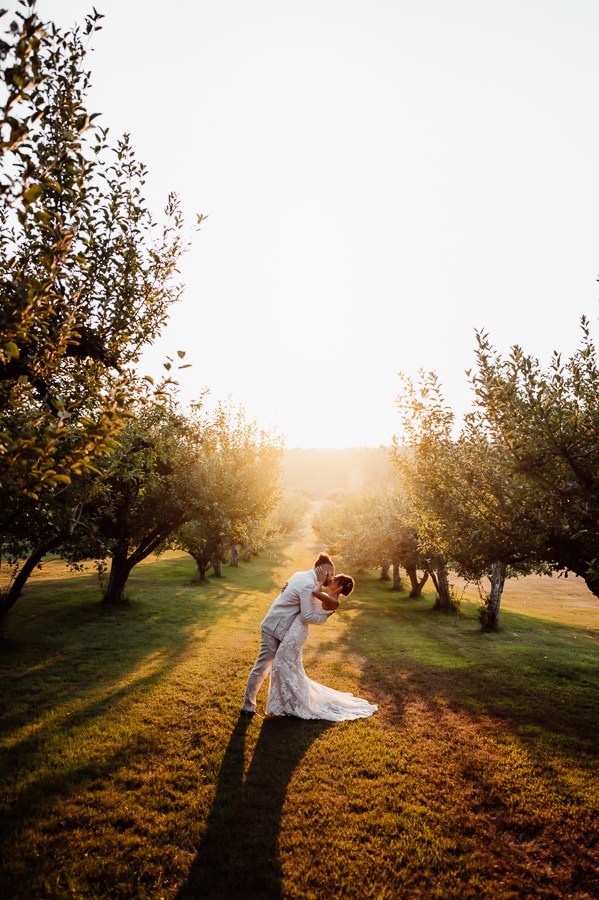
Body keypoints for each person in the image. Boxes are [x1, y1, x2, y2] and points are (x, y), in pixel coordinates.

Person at [265, 574, 378, 721]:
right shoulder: (327, 596)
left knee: (280, 664)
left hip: (298, 632)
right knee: (289, 666)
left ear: (340, 587)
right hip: (295, 628)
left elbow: (312, 592)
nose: (331, 580)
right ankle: (286, 702)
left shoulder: (333, 601)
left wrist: (320, 578)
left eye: (334, 579)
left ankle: (287, 703)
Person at [241, 553, 336, 716]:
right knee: (262, 667)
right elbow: (307, 616)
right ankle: (248, 707)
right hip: (274, 627)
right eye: (331, 574)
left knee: (275, 667)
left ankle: (283, 703)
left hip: (280, 627)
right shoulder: (307, 584)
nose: (331, 577)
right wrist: (324, 617)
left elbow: (284, 593)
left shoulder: (300, 575)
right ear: (324, 571)